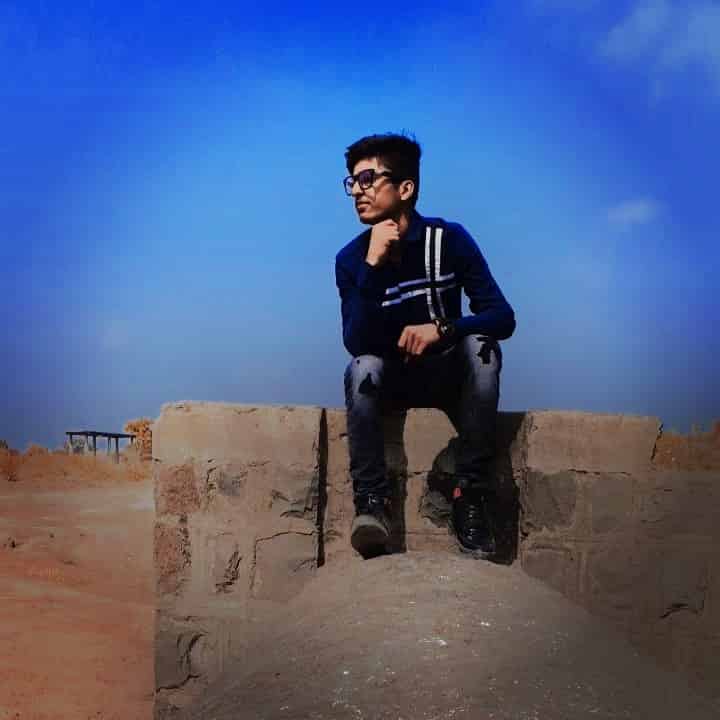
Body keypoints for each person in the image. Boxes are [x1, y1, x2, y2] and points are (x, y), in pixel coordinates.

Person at [335, 133, 516, 560]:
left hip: (447, 375)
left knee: (482, 348)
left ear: (405, 188)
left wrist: (443, 328)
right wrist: (372, 265)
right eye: (352, 181)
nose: (357, 190)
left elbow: (502, 317)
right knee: (362, 368)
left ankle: (470, 495)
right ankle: (372, 504)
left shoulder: (448, 240)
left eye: (367, 179)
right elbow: (355, 342)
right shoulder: (351, 259)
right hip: (392, 380)